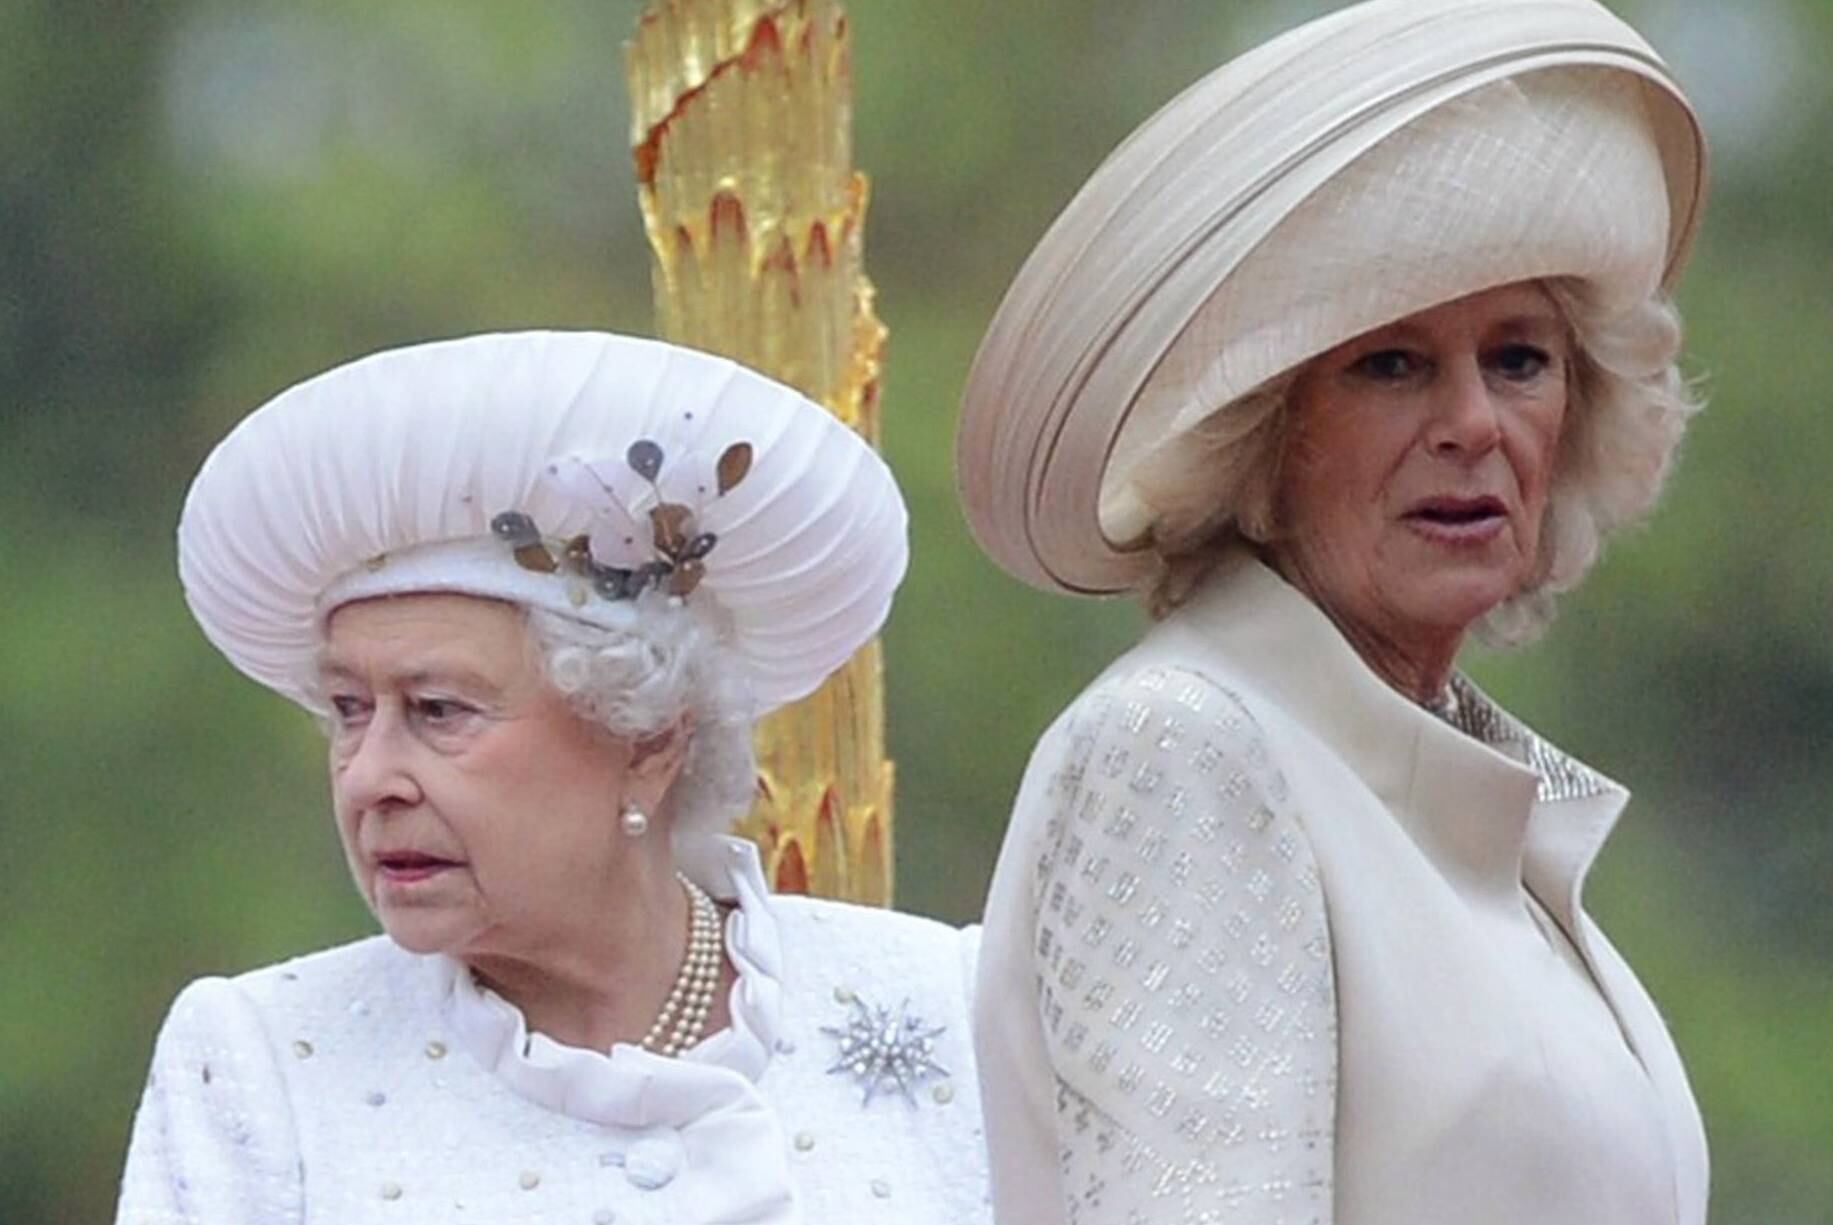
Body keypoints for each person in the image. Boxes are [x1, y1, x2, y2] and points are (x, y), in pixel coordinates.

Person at [955, 1, 1710, 1222]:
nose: (1475, 422)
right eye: (1392, 364)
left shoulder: (1453, 801)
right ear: (1262, 436)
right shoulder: (1183, 747)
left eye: (1518, 357)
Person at [117, 331, 989, 1224]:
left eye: (438, 710)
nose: (370, 776)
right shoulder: (261, 1059)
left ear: (647, 739)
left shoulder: (960, 1006)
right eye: (347, 710)